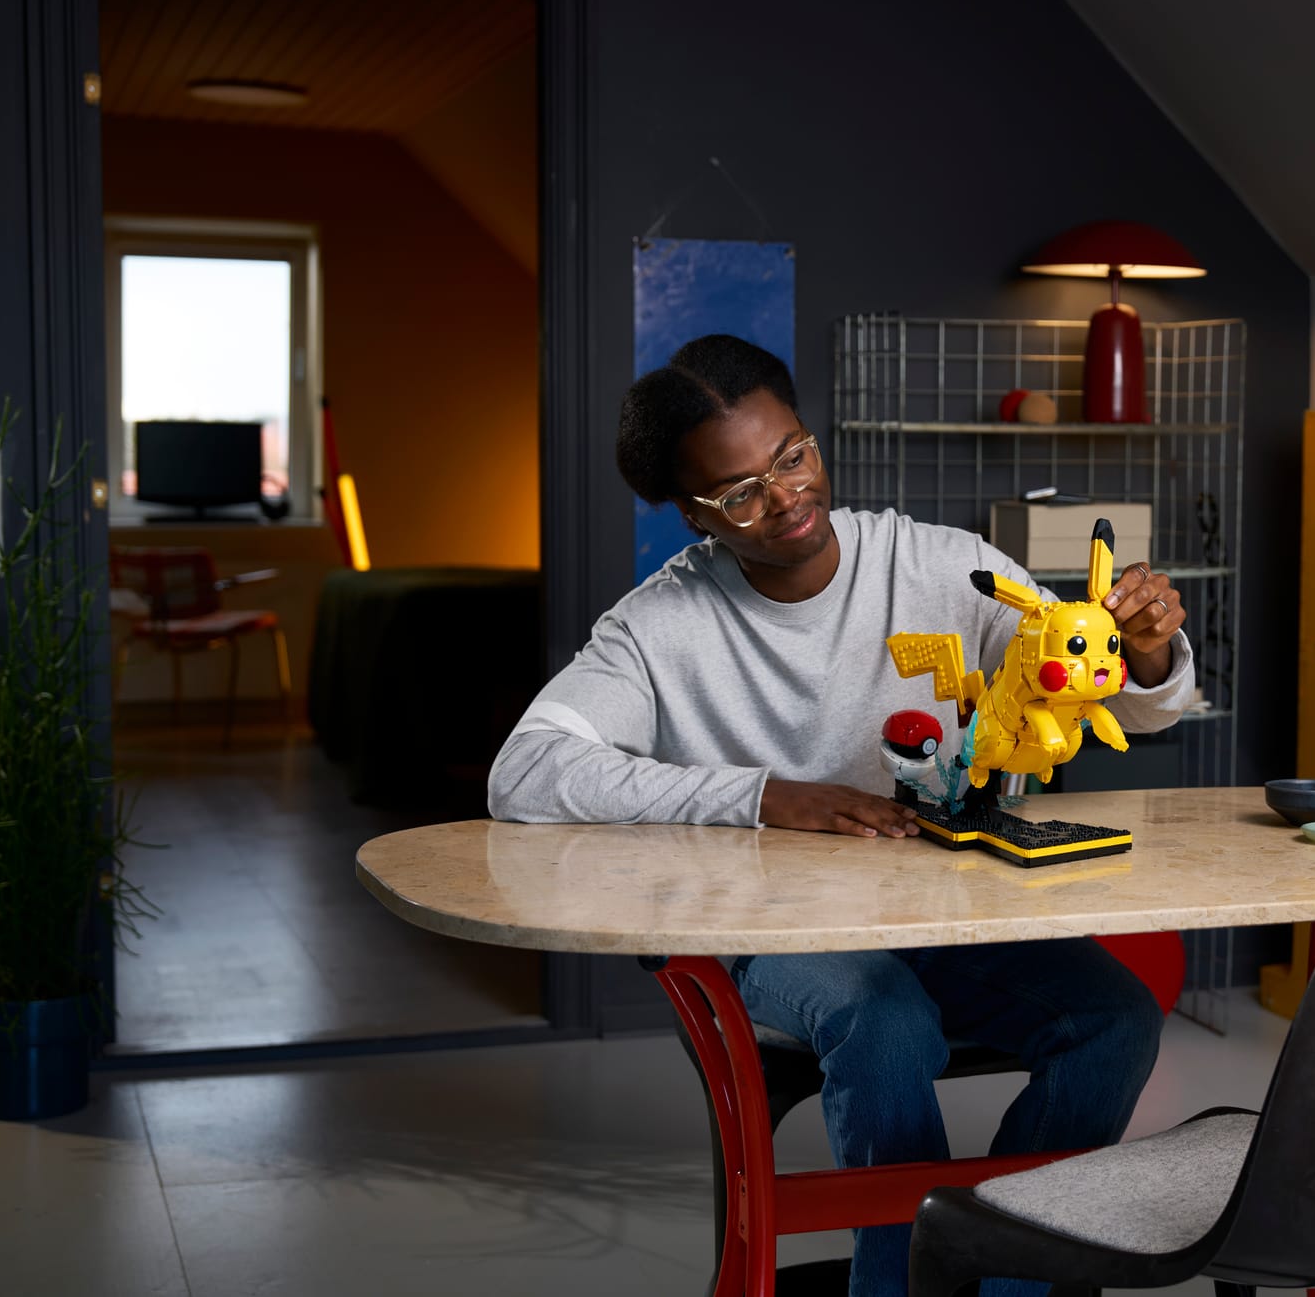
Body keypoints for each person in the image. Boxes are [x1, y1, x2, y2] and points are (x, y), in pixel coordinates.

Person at [489, 334, 1196, 1296]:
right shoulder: (659, 625)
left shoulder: (941, 565)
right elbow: (525, 772)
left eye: (792, 455)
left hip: (946, 914)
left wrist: (1144, 650)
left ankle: (1003, 1274)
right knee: (885, 1021)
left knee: (1114, 1018)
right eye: (740, 492)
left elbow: (1110, 692)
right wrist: (764, 796)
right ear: (694, 514)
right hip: (774, 934)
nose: (786, 496)